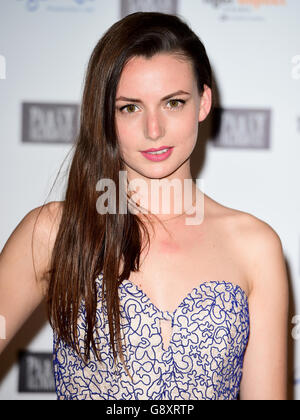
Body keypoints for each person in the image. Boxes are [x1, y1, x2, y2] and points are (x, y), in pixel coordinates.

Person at [0, 12, 289, 400]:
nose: (154, 129)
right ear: (105, 114)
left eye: (173, 102)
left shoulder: (254, 246)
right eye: (130, 107)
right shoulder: (52, 232)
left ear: (203, 102)